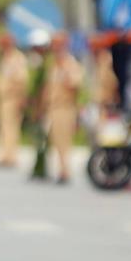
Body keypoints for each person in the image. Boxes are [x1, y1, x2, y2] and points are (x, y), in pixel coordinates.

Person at [43, 33, 84, 184]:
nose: (54, 48)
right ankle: (61, 169)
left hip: (65, 107)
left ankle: (65, 171)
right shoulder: (53, 64)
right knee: (56, 140)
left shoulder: (69, 63)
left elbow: (75, 85)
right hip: (53, 107)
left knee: (64, 139)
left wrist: (64, 71)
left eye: (57, 45)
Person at [0, 33, 29, 168]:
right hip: (3, 98)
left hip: (13, 98)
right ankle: (4, 155)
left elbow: (22, 80)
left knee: (11, 128)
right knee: (3, 127)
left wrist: (21, 98)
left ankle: (11, 156)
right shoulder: (4, 58)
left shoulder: (17, 58)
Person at [26, 28, 52, 180]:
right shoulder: (37, 63)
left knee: (43, 140)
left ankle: (41, 168)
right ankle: (38, 167)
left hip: (46, 107)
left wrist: (41, 108)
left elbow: (44, 90)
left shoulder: (48, 65)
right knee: (38, 139)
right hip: (37, 107)